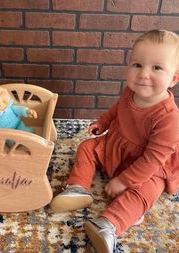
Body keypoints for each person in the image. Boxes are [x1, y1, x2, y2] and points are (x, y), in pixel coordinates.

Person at [50, 30, 179, 253]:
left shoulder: (169, 118)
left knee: (147, 191)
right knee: (87, 147)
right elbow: (117, 110)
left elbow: (152, 160)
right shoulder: (130, 91)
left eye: (156, 68)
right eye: (137, 65)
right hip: (116, 148)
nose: (143, 74)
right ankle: (78, 187)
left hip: (146, 167)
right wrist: (104, 122)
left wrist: (124, 181)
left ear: (174, 78)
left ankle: (108, 225)